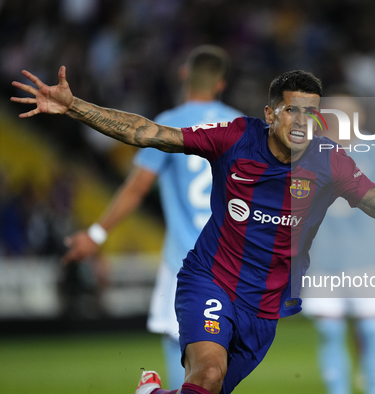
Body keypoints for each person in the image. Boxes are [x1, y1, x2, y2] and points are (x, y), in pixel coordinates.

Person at [11, 67, 375, 394]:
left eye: (312, 111)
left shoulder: (330, 162)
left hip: (266, 308)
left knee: (204, 389)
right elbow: (152, 133)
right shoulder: (236, 139)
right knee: (208, 375)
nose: (304, 120)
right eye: (293, 111)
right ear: (270, 114)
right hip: (209, 281)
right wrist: (74, 106)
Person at [61, 45, 243, 389]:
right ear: (221, 83)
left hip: (184, 263)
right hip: (232, 264)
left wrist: (97, 234)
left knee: (185, 351)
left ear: (183, 75)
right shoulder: (240, 125)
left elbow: (136, 188)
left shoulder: (171, 123)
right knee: (216, 366)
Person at [302, 93, 375, 394]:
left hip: (369, 259)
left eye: (352, 114)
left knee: (373, 329)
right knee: (329, 330)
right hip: (321, 260)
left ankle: (373, 390)